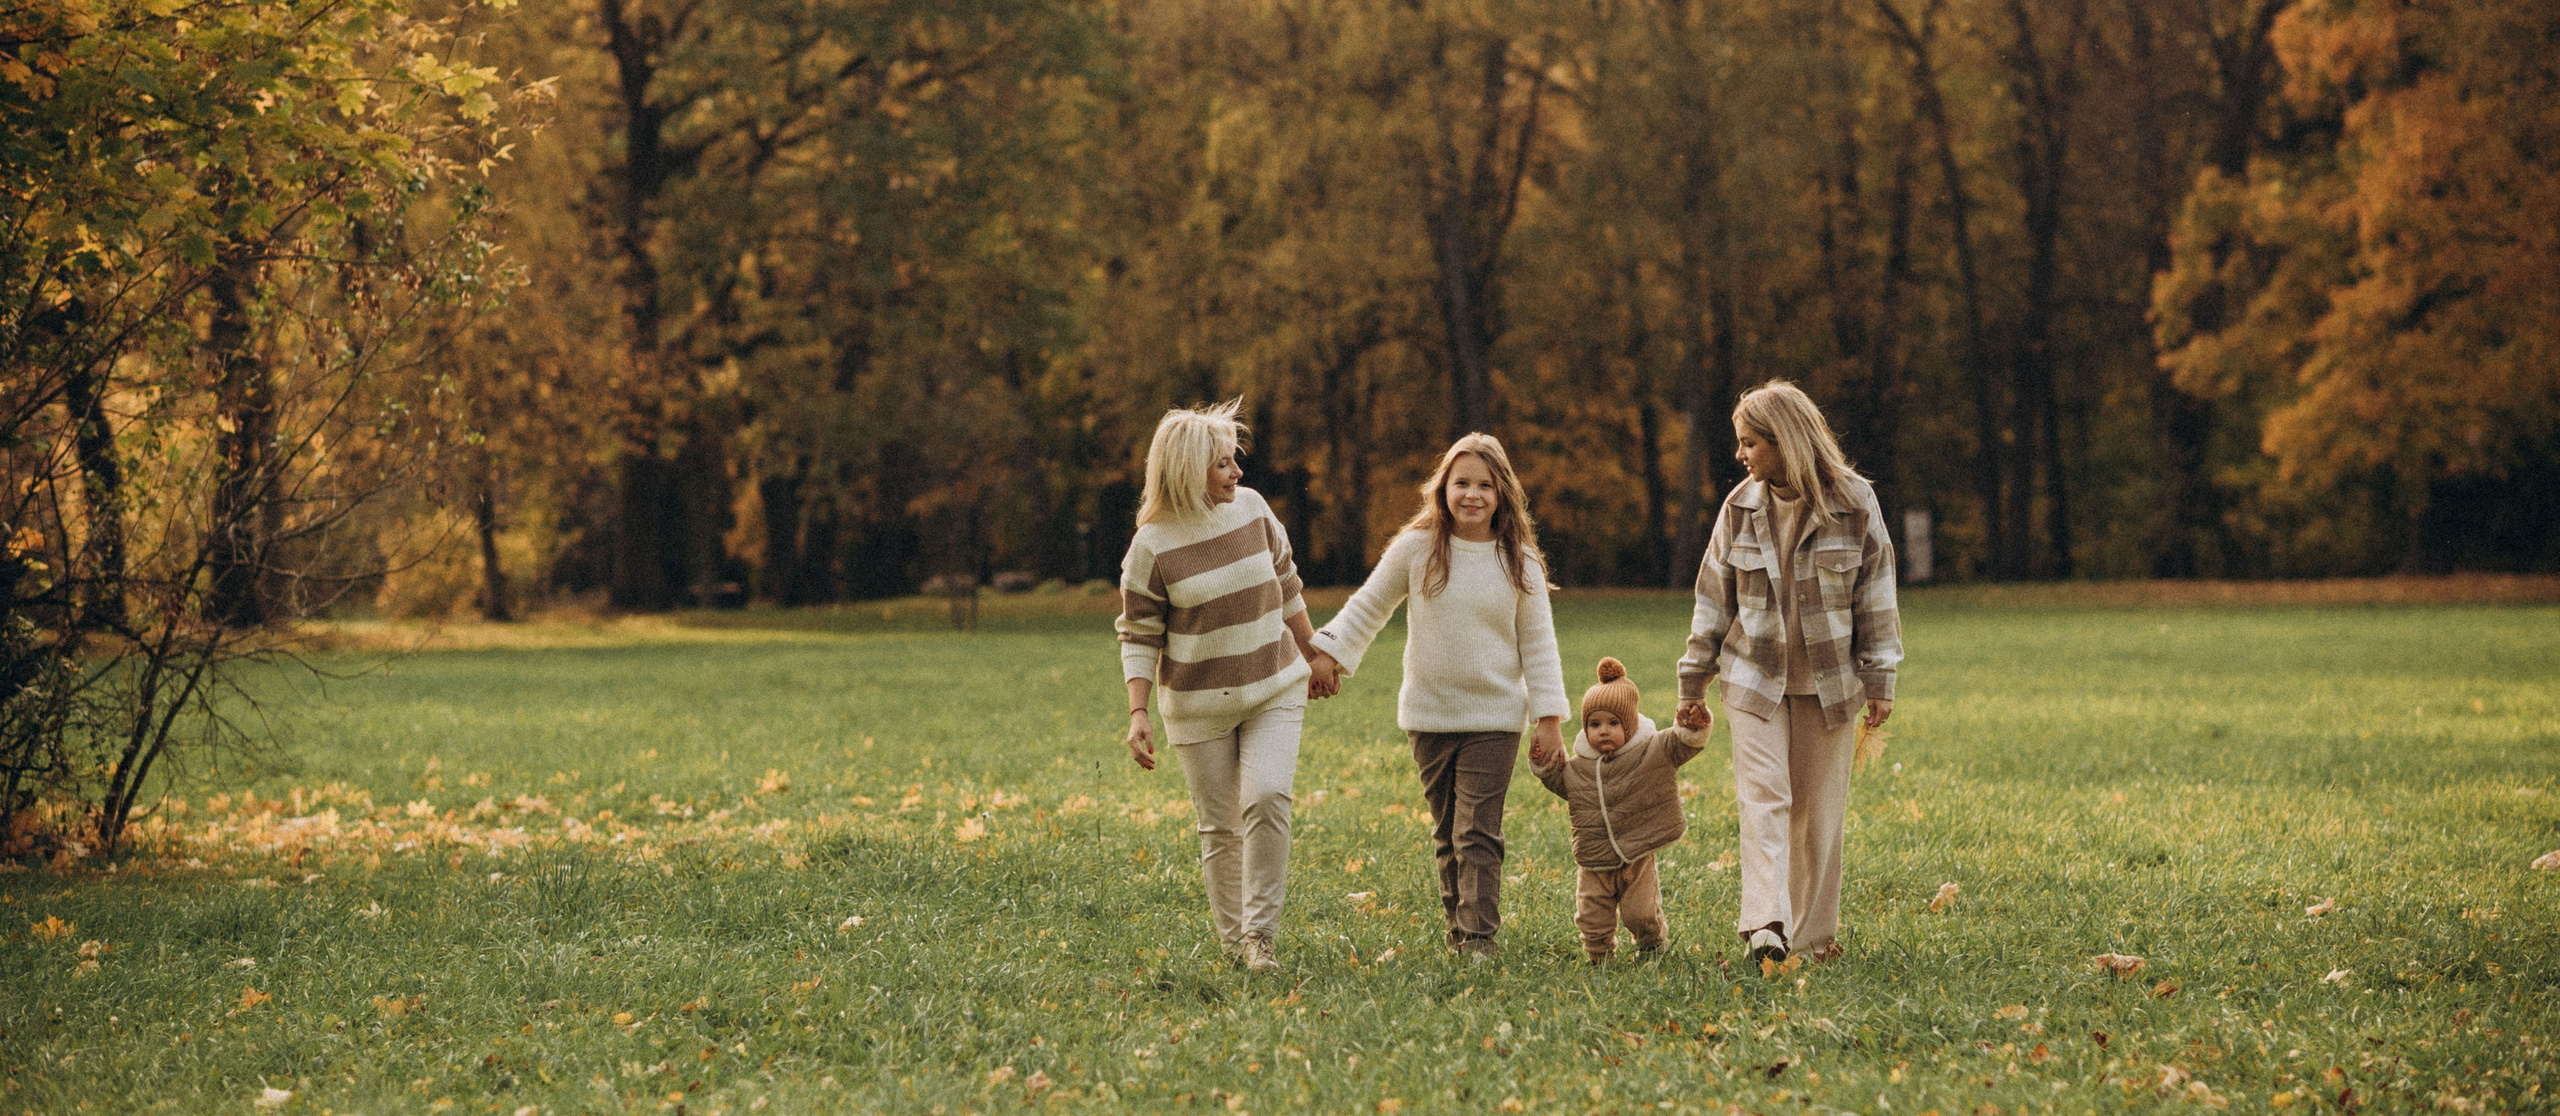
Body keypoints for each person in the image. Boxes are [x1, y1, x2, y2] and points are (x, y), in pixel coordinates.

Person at [1306, 433, 1567, 957]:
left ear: (1503, 494)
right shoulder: (1417, 548)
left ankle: (1479, 939)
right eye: (1462, 482)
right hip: (1429, 716)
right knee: (1448, 833)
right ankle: (1458, 931)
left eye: (1485, 485)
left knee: (1477, 831)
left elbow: (1539, 646)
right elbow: (1368, 605)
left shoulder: (1520, 562)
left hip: (1494, 717)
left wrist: (1549, 718)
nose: (1472, 495)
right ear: (1443, 487)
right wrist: (1327, 654)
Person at [1677, 380, 1902, 966]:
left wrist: (1880, 678)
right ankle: (1766, 925)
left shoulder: (1854, 503)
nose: (1741, 455)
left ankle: (1812, 938)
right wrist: (1693, 677)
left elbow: (1876, 593)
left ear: (1785, 442)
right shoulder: (1740, 507)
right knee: (1764, 797)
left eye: (1750, 443)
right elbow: (1712, 595)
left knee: (1818, 813)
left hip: (1832, 685)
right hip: (1754, 679)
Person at [1115, 399, 1330, 972]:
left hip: (1274, 682)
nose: (1237, 473)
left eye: (1235, 462)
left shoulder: (1254, 510)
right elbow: (1138, 634)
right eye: (1222, 465)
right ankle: (1235, 947)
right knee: (1220, 826)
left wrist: (1315, 652)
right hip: (1198, 704)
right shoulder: (1152, 547)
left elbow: (1287, 582)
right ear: (1186, 471)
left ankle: (1261, 939)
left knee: (1266, 798)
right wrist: (1138, 713)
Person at [1530, 658, 1714, 963]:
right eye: (1594, 724)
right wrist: (1543, 763)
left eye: (1613, 723)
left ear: (1629, 724)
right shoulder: (1579, 768)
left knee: (1640, 912)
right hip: (1594, 857)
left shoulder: (1652, 749)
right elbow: (1558, 781)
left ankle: (1652, 945)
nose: (1603, 731)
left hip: (1637, 853)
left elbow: (1681, 744)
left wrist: (1691, 727)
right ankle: (1599, 957)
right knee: (1591, 914)